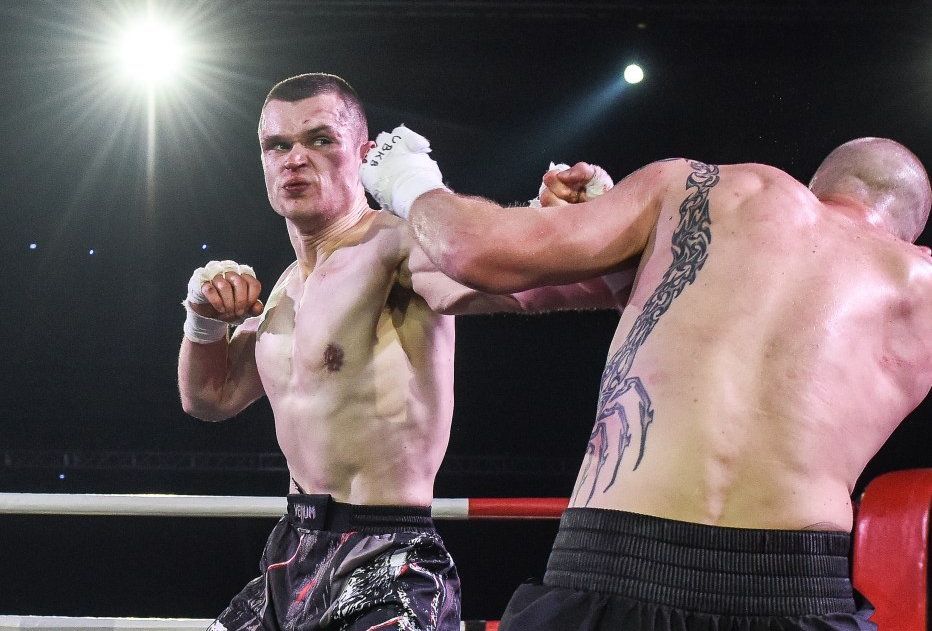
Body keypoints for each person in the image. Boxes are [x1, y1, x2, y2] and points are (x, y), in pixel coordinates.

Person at [360, 127, 932, 630]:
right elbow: (781, 366)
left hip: (617, 564)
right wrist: (628, 248)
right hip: (800, 591)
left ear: (814, 186)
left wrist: (408, 179)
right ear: (914, 235)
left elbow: (467, 257)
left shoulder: (721, 187)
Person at [177, 74, 621, 631]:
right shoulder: (286, 288)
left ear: (363, 155)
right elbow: (209, 398)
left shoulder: (399, 248)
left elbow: (526, 283)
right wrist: (201, 322)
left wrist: (577, 224)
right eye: (278, 145)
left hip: (386, 555)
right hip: (292, 553)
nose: (294, 159)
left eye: (319, 140)